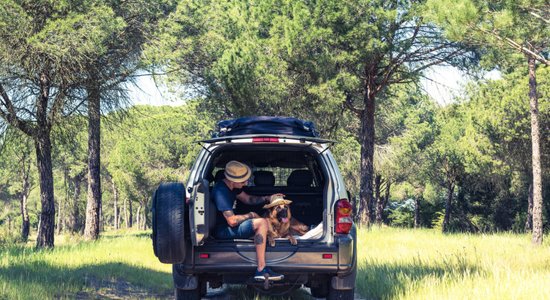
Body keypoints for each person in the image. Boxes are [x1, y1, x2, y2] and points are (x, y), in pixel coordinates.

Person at [211, 160, 285, 281]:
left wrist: (268, 198)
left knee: (261, 221)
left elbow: (248, 199)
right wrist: (251, 215)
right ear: (232, 180)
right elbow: (232, 221)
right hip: (223, 230)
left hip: (231, 227)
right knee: (262, 222)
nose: (246, 183)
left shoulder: (232, 187)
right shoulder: (221, 192)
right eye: (243, 180)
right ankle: (261, 269)